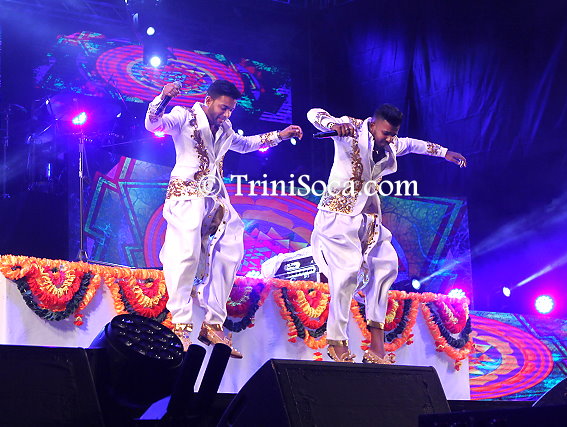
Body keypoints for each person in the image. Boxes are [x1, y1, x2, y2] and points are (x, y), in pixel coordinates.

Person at [145, 79, 303, 355]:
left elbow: (246, 144)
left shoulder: (226, 128)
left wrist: (280, 135)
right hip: (186, 194)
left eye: (230, 109)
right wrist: (163, 98)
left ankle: (213, 323)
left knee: (230, 249)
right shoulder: (184, 116)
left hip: (215, 197)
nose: (227, 114)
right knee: (185, 255)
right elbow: (153, 124)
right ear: (208, 100)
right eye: (223, 108)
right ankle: (180, 326)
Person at [307, 104, 466, 363]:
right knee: (346, 274)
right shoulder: (351, 129)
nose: (390, 139)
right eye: (386, 133)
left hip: (369, 218)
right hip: (338, 215)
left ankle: (376, 347)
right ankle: (336, 341)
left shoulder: (390, 145)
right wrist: (333, 125)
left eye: (393, 134)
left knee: (386, 266)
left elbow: (413, 144)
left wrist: (444, 152)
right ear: (373, 125)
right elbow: (314, 113)